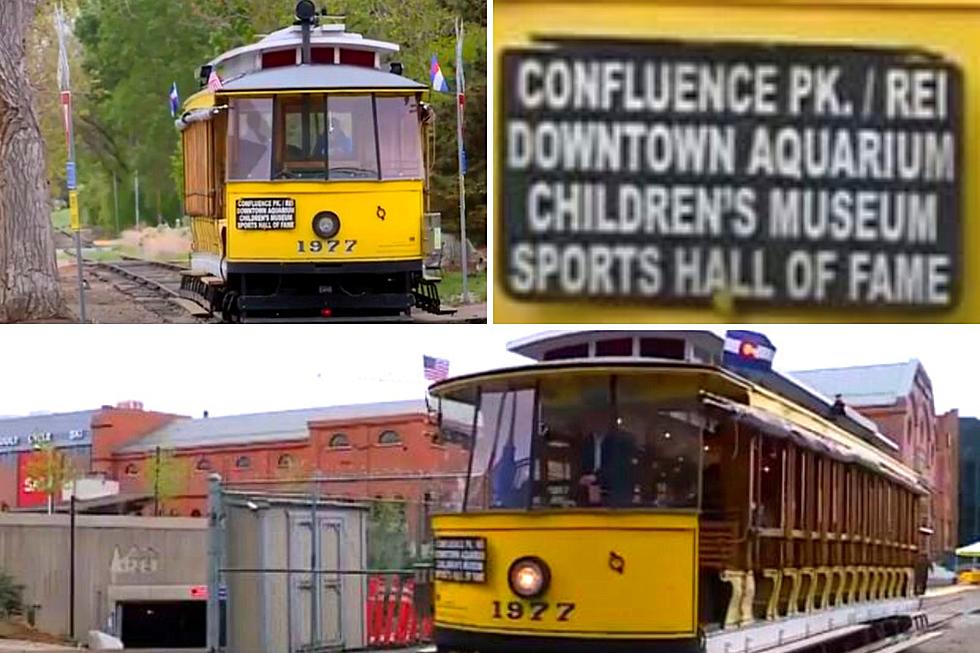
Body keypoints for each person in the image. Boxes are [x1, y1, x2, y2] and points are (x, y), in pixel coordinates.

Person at [578, 411, 637, 507]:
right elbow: (582, 468)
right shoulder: (586, 442)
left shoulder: (621, 441)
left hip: (617, 496)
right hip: (591, 494)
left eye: (599, 418)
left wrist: (596, 477)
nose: (595, 422)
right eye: (592, 419)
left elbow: (619, 466)